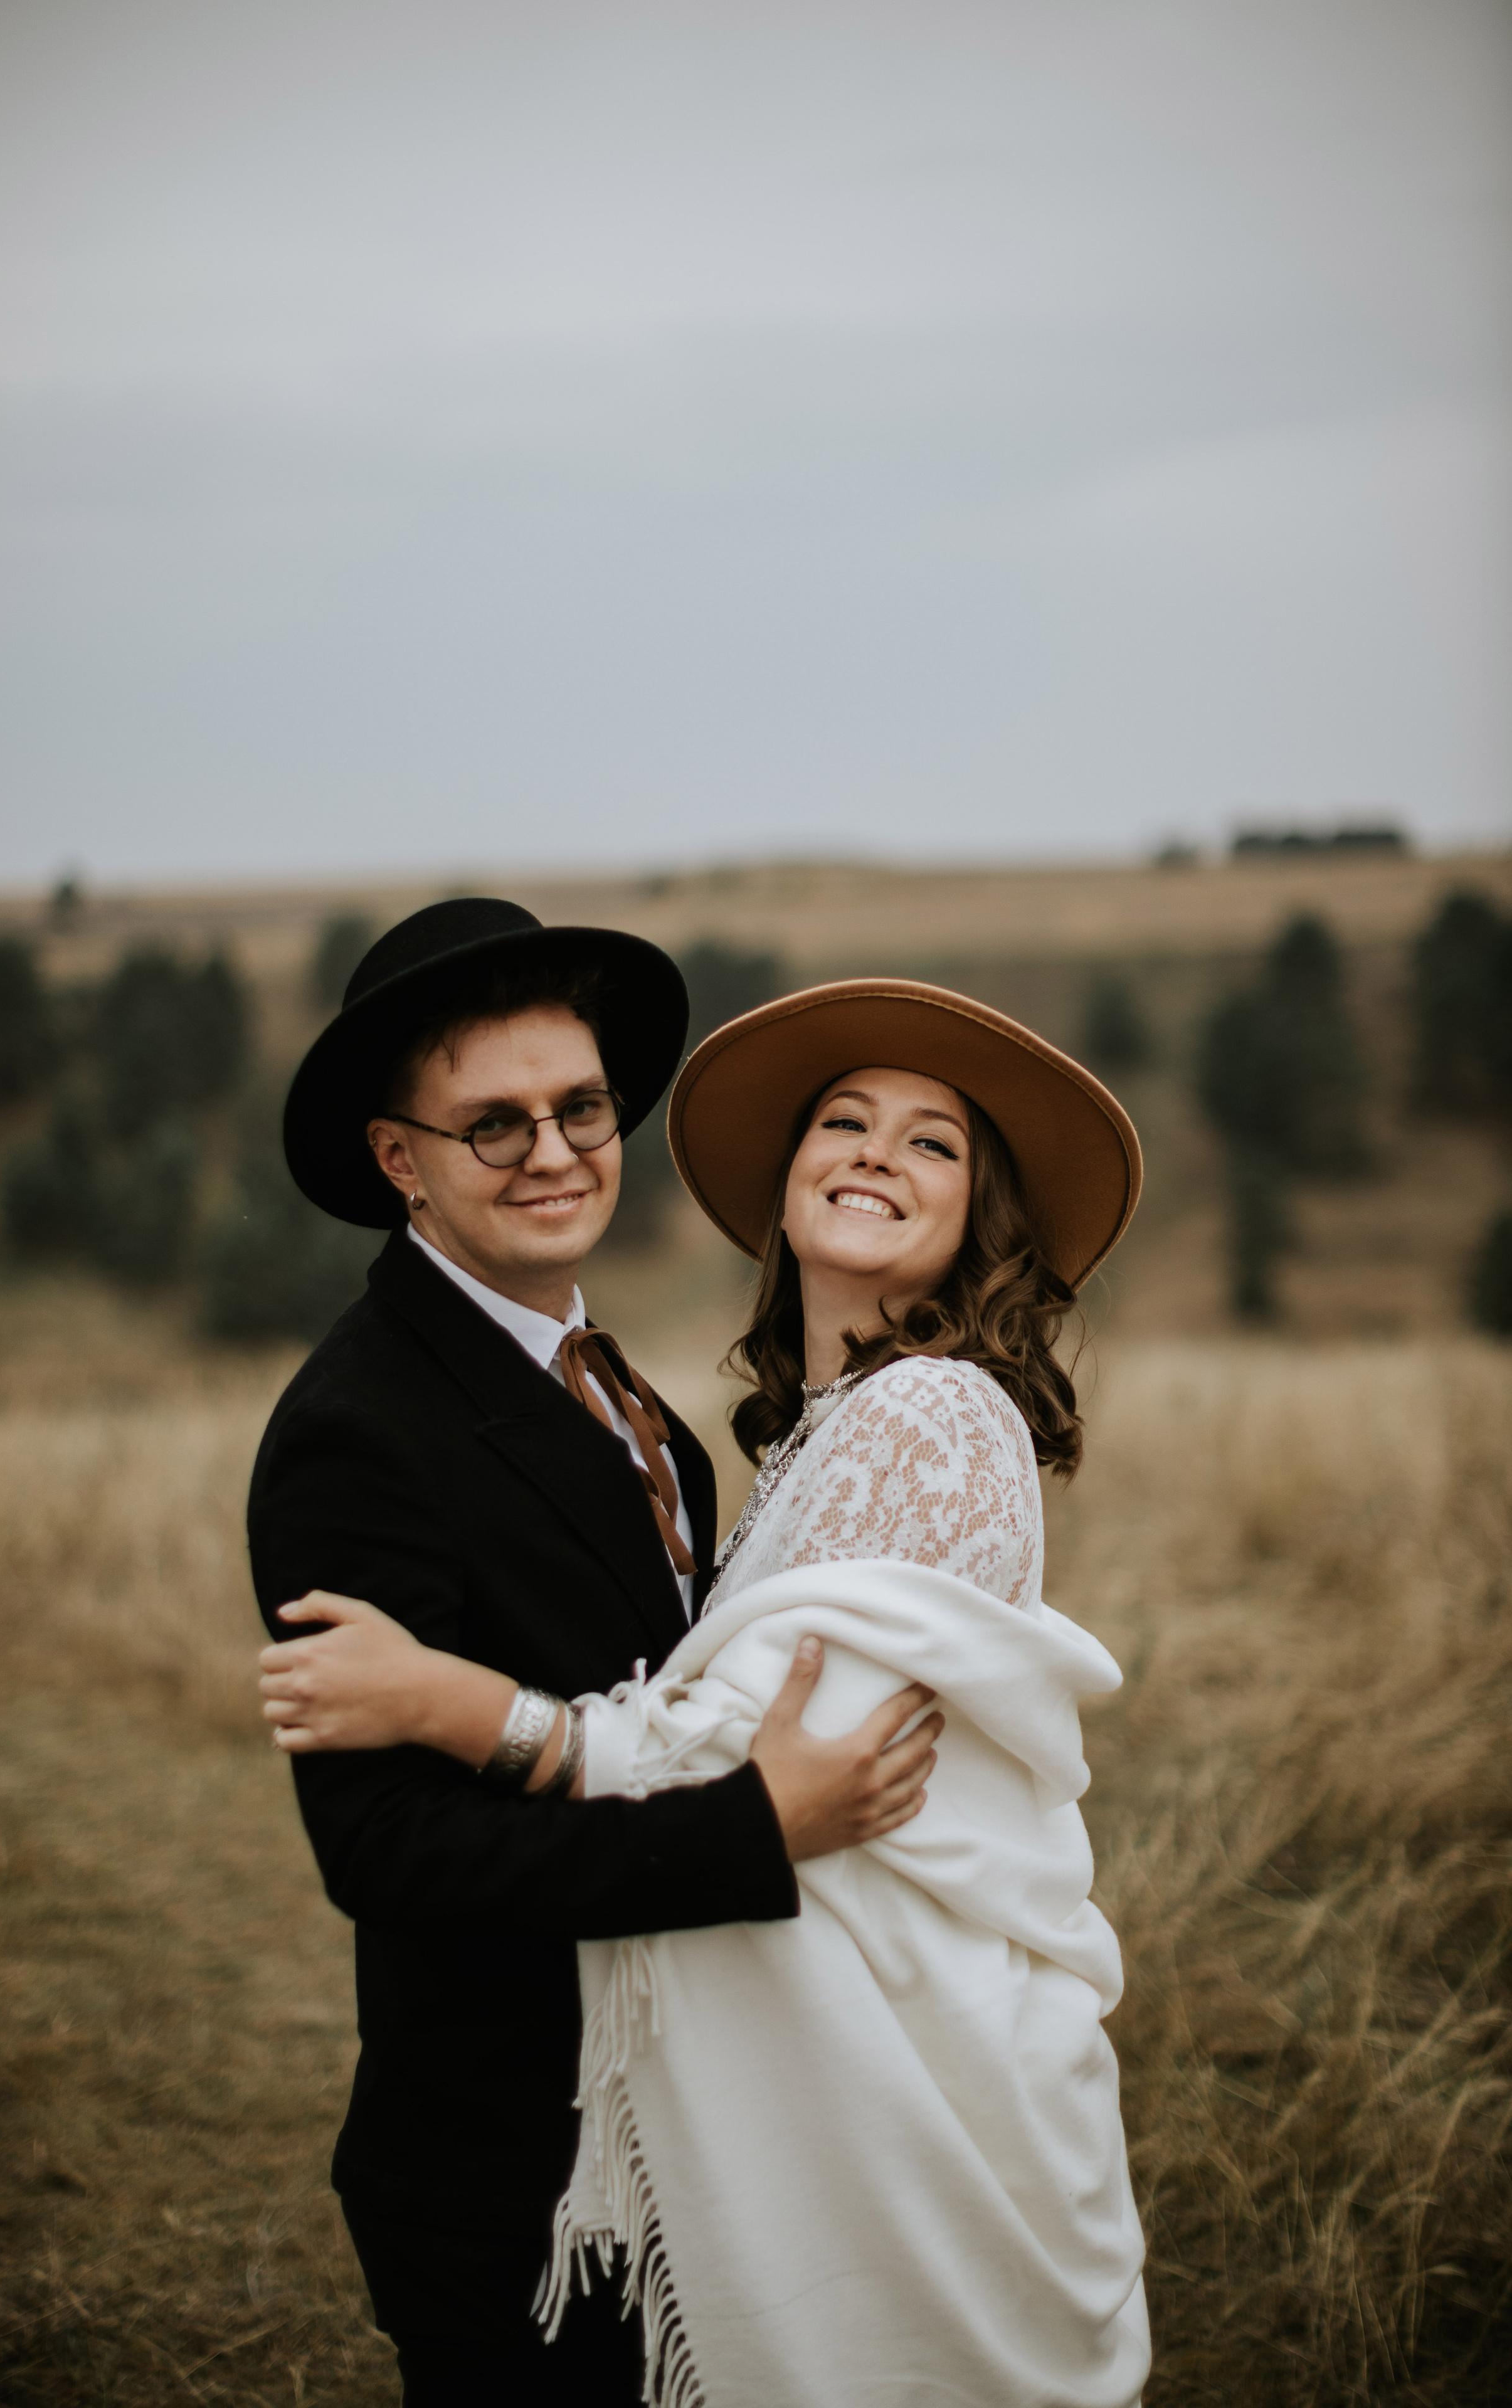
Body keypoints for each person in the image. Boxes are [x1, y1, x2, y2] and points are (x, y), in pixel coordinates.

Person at [262, 975, 1153, 2406]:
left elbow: (766, 1765)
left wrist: (452, 1701)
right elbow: (386, 1847)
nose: (550, 1150)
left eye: (932, 1144)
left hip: (858, 2107)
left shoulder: (900, 1416)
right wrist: (748, 1820)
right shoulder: (390, 1428)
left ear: (982, 1220)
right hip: (514, 2147)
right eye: (844, 1121)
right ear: (399, 1158)